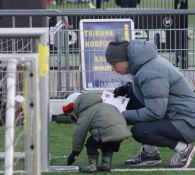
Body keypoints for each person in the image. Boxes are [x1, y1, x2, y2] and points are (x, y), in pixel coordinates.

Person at [105, 38, 195, 168]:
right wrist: (129, 89)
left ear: (126, 59)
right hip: (179, 115)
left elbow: (155, 112)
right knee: (133, 105)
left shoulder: (149, 71)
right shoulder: (146, 64)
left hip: (187, 122)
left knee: (140, 131)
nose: (112, 69)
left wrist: (122, 115)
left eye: (113, 63)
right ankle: (149, 153)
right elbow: (152, 92)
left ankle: (183, 149)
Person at [63, 92, 131, 173]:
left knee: (91, 143)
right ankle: (106, 164)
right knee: (108, 142)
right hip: (121, 132)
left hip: (108, 132)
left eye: (71, 113)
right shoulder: (105, 105)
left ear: (76, 105)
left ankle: (92, 166)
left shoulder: (87, 112)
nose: (72, 116)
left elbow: (79, 134)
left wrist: (75, 152)